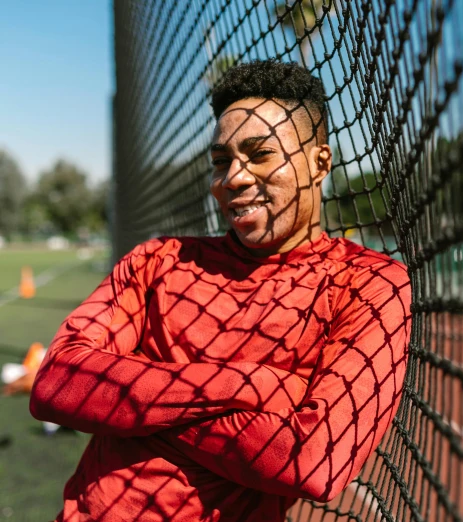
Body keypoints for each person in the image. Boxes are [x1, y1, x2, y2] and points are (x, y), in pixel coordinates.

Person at [30, 59, 411, 522]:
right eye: (221, 161)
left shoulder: (369, 283)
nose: (234, 178)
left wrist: (131, 407)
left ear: (319, 163)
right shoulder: (160, 259)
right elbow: (56, 383)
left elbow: (313, 463)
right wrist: (253, 385)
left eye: (260, 154)